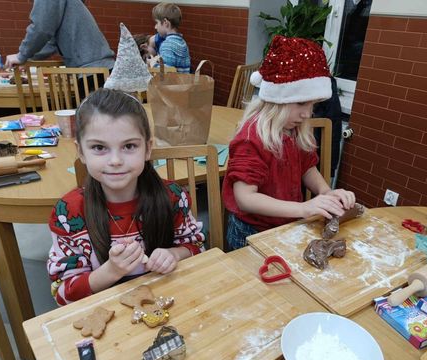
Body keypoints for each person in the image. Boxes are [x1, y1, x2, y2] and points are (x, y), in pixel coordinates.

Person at [47, 89, 205, 305]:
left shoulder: (173, 197)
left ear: (147, 149)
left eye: (129, 146)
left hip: (170, 300)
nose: (115, 160)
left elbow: (197, 248)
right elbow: (62, 294)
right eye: (99, 147)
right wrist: (111, 271)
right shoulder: (69, 212)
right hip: (106, 314)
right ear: (81, 152)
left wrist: (174, 255)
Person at [222, 35, 356, 250]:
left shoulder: (295, 129)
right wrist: (303, 208)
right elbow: (245, 198)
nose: (307, 114)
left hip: (285, 226)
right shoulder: (251, 137)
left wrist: (326, 192)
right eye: (301, 103)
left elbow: (307, 168)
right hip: (251, 234)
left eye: (312, 105)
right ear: (277, 99)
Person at [4, 0, 115, 71]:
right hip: (100, 68)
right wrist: (28, 58)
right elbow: (51, 42)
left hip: (91, 71)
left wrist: (21, 56)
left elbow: (41, 28)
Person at [149, 2, 191, 73]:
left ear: (165, 22)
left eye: (157, 23)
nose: (155, 27)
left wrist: (152, 63)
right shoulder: (182, 42)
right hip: (182, 82)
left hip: (174, 83)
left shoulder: (167, 45)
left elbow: (166, 72)